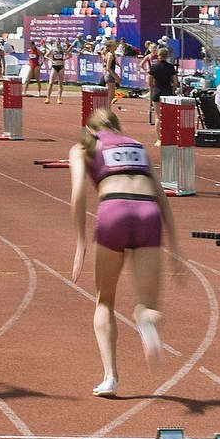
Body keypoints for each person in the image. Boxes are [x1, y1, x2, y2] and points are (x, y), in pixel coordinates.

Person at [68, 109, 178, 397]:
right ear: (117, 127)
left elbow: (78, 194)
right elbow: (162, 197)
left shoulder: (83, 148)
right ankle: (145, 319)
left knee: (104, 301)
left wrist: (80, 243)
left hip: (113, 210)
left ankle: (110, 378)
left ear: (89, 129)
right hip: (148, 213)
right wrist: (176, 248)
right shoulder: (138, 146)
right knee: (148, 304)